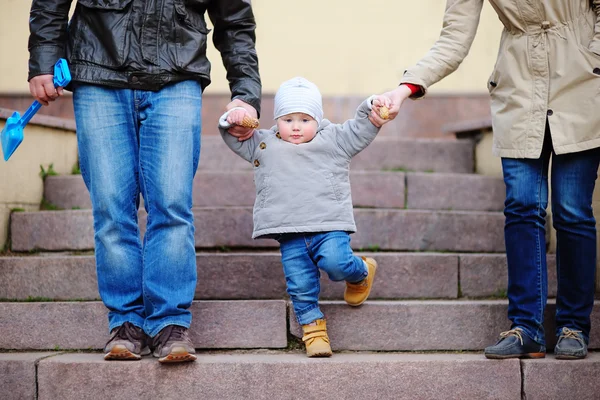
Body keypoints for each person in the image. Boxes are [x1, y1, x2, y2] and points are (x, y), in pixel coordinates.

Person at [27, 0, 261, 363]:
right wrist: (44, 60)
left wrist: (245, 92)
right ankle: (125, 323)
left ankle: (169, 324)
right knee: (110, 206)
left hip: (177, 73)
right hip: (97, 70)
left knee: (171, 203)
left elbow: (235, 20)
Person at [383, 0, 600, 360]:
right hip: (519, 86)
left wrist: (592, 54)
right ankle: (525, 327)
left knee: (572, 210)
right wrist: (406, 86)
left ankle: (573, 326)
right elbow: (454, 38)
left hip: (582, 81)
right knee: (522, 206)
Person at [218, 77, 390, 357]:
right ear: (277, 121)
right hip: (289, 232)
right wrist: (233, 118)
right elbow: (230, 135)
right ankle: (313, 329)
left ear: (318, 120)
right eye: (287, 120)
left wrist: (372, 106)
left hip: (329, 224)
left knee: (336, 263)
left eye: (304, 119)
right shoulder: (263, 143)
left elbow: (361, 128)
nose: (296, 126)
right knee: (299, 284)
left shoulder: (334, 138)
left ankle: (360, 272)